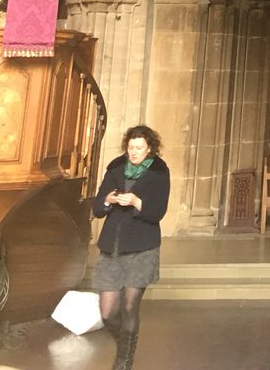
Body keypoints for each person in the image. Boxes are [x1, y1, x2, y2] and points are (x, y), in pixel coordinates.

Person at [92, 125, 170, 370]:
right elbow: (96, 207)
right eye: (131, 148)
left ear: (149, 149)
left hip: (141, 247)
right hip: (112, 245)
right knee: (106, 313)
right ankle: (126, 344)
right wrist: (108, 200)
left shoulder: (159, 171)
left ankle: (124, 362)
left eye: (139, 148)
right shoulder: (116, 166)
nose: (134, 153)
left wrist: (137, 202)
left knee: (129, 307)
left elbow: (157, 212)